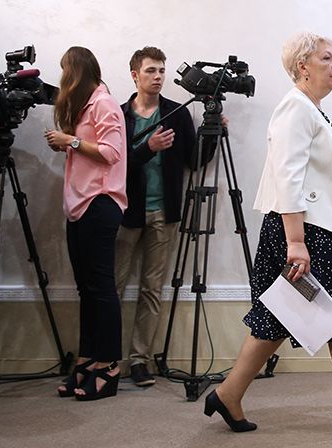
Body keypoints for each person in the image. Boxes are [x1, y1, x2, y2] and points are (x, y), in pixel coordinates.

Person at [203, 32, 332, 439]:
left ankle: (228, 394)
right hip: (301, 233)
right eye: (327, 58)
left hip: (316, 229)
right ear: (302, 67)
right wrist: (296, 242)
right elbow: (288, 176)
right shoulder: (295, 108)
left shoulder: (311, 110)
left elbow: (319, 177)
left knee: (280, 315)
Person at [44, 46, 127, 401]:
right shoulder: (85, 107)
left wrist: (71, 141)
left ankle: (109, 366)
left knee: (101, 287)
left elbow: (111, 152)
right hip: (80, 205)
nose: (62, 77)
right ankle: (89, 358)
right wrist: (69, 145)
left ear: (77, 71)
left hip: (100, 202)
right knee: (87, 289)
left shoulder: (104, 103)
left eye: (65, 69)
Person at [114, 47, 198, 386]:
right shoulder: (119, 115)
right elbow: (114, 165)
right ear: (135, 75)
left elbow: (195, 161)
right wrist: (148, 148)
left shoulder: (177, 113)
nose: (158, 76)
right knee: (113, 286)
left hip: (164, 213)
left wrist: (212, 132)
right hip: (125, 211)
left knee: (151, 289)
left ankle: (140, 360)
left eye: (162, 70)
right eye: (151, 70)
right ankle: (106, 358)